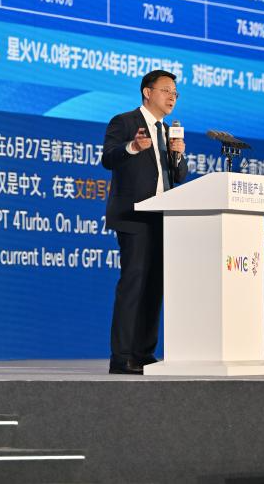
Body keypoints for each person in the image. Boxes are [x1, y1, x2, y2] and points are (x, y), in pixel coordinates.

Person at [101, 69, 188, 374]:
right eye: (166, 91)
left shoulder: (167, 131)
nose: (172, 97)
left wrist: (179, 156)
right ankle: (121, 356)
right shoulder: (124, 122)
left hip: (163, 219)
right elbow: (108, 158)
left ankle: (143, 354)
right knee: (134, 284)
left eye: (175, 93)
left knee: (154, 287)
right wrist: (133, 147)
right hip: (135, 217)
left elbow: (178, 177)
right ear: (147, 92)